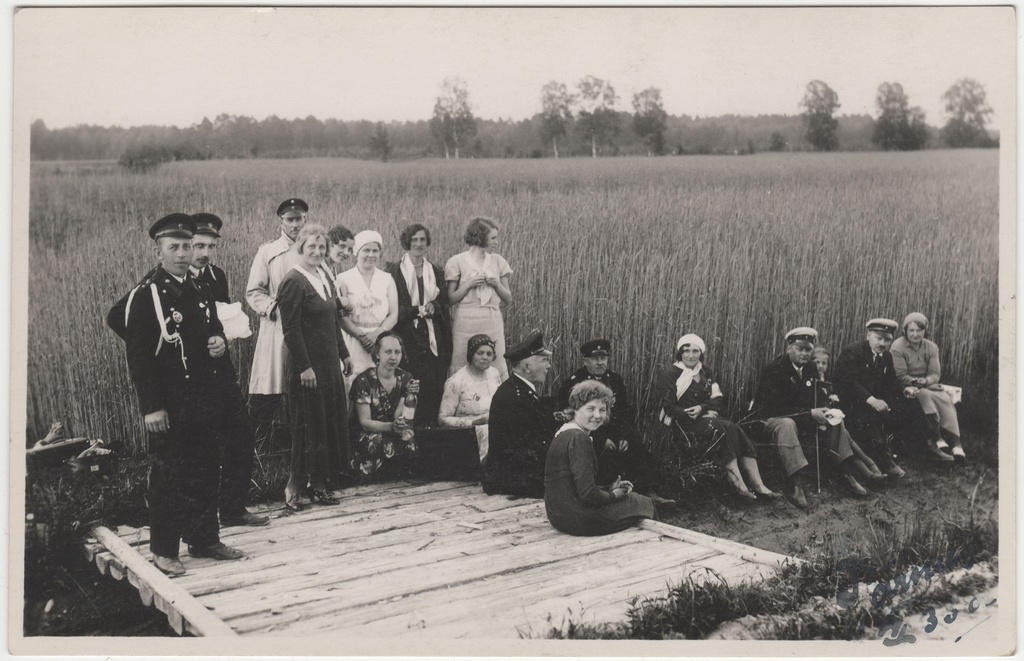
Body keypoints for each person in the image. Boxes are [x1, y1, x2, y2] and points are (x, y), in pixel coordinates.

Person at [121, 213, 243, 576]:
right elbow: (139, 356)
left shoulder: (200, 286)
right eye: (173, 247)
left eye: (187, 246)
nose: (182, 253)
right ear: (158, 251)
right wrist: (152, 407)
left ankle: (204, 538)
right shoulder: (149, 294)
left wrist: (220, 342)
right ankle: (163, 549)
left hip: (204, 396)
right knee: (170, 475)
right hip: (170, 403)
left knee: (207, 468)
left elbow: (214, 326)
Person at [189, 212, 268, 527]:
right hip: (190, 377)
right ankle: (197, 521)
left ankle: (233, 509)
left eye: (210, 247)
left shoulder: (215, 276)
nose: (204, 254)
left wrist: (221, 339)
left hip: (220, 371)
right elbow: (124, 318)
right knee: (201, 447)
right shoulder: (167, 280)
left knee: (241, 432)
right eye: (198, 246)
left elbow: (220, 319)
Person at [277, 224, 353, 511]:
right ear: (300, 248)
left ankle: (319, 484)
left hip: (328, 362)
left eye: (322, 248)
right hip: (306, 366)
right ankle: (293, 486)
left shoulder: (324, 275)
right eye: (312, 247)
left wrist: (344, 354)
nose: (318, 252)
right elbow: (291, 330)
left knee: (326, 421)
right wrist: (304, 367)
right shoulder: (293, 281)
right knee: (305, 424)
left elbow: (333, 319)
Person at [754, 327, 874, 509]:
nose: (804, 354)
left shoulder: (810, 368)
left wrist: (823, 410)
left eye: (808, 349)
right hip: (771, 420)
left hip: (799, 418)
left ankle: (845, 472)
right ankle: (795, 482)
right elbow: (775, 408)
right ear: (789, 348)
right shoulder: (775, 370)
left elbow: (813, 398)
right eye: (799, 349)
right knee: (787, 424)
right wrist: (810, 414)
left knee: (834, 418)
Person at [656, 334, 777, 502]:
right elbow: (668, 407)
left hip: (704, 418)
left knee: (733, 427)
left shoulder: (705, 371)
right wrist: (692, 412)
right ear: (680, 353)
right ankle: (738, 486)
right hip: (682, 423)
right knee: (720, 428)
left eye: (695, 351)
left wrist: (703, 408)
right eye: (686, 351)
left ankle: (758, 485)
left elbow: (717, 398)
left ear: (701, 353)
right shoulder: (670, 374)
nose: (690, 355)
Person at [557, 339, 669, 503]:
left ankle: (648, 491)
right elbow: (572, 417)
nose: (600, 363)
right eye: (595, 359)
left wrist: (624, 435)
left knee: (636, 444)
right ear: (585, 360)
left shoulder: (615, 379)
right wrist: (602, 439)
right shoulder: (575, 382)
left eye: (603, 358)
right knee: (602, 454)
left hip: (616, 431)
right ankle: (610, 494)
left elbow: (624, 410)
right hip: (591, 432)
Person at [545, 381, 658, 536]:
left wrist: (608, 488)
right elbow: (588, 494)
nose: (597, 416)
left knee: (634, 501)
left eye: (602, 410)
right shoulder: (579, 438)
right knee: (642, 502)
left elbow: (574, 486)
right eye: (590, 409)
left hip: (559, 517)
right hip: (580, 520)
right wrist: (614, 495)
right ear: (575, 409)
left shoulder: (564, 433)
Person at [245, 198, 308, 446]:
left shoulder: (313, 249)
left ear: (305, 219)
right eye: (290, 219)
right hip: (276, 328)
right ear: (280, 221)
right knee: (271, 383)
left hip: (305, 328)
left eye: (299, 219)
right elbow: (253, 291)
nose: (295, 225)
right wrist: (274, 308)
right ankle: (261, 447)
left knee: (302, 385)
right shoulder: (268, 252)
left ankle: (298, 447)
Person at [835, 318, 928, 469]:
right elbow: (849, 383)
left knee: (911, 403)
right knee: (869, 414)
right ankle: (883, 460)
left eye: (887, 340)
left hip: (873, 400)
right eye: (879, 338)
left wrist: (904, 390)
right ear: (868, 336)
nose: (882, 344)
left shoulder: (886, 356)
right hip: (852, 403)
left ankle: (923, 449)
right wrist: (871, 400)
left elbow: (891, 382)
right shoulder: (853, 352)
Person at [388, 223, 452, 428]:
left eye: (422, 240)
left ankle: (428, 434)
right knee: (409, 387)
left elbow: (444, 302)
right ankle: (407, 433)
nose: (418, 244)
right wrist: (418, 310)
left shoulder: (435, 270)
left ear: (427, 243)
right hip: (407, 337)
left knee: (432, 387)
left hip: (432, 337)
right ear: (407, 242)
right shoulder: (394, 271)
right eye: (414, 240)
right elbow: (395, 307)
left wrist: (434, 306)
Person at [483, 331, 558, 498]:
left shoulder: (518, 390)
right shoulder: (516, 397)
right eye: (544, 360)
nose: (548, 366)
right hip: (514, 479)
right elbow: (530, 448)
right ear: (526, 366)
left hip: (517, 473)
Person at [890, 312, 965, 461]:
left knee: (944, 397)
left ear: (925, 331)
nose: (915, 334)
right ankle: (937, 438)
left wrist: (926, 382)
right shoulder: (897, 347)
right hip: (908, 386)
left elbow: (935, 374)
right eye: (911, 330)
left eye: (919, 330)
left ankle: (957, 445)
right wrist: (922, 383)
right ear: (905, 331)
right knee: (924, 395)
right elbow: (901, 375)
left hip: (927, 384)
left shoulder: (931, 347)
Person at [445, 217, 513, 380]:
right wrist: (468, 284)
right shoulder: (457, 261)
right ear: (480, 237)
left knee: (494, 362)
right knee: (462, 361)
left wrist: (496, 284)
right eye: (493, 238)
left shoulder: (498, 261)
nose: (496, 242)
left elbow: (508, 298)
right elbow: (449, 300)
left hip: (492, 320)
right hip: (466, 321)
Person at [348, 331, 420, 476]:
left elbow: (399, 416)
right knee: (377, 441)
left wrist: (411, 396)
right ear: (377, 354)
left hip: (393, 429)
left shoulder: (405, 378)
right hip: (369, 432)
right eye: (388, 352)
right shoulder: (363, 381)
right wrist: (390, 427)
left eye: (397, 352)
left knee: (408, 437)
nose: (393, 357)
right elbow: (365, 422)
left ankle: (398, 475)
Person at [812, 347, 887, 485]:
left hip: (830, 421)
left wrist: (833, 399)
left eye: (824, 363)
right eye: (817, 362)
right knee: (844, 434)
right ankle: (868, 469)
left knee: (844, 433)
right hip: (817, 421)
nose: (820, 366)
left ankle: (868, 473)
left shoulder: (829, 379)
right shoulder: (810, 380)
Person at [337, 230, 399, 390]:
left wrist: (377, 334)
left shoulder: (387, 278)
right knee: (351, 383)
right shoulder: (344, 278)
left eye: (375, 250)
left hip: (379, 341)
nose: (371, 255)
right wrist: (362, 336)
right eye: (366, 250)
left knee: (376, 385)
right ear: (357, 252)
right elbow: (341, 316)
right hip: (353, 339)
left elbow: (394, 314)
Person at [439, 334, 504, 463]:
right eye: (480, 353)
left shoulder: (494, 374)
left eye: (489, 354)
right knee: (487, 431)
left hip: (493, 428)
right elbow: (442, 419)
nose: (485, 357)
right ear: (471, 354)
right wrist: (473, 423)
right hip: (467, 435)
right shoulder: (456, 382)